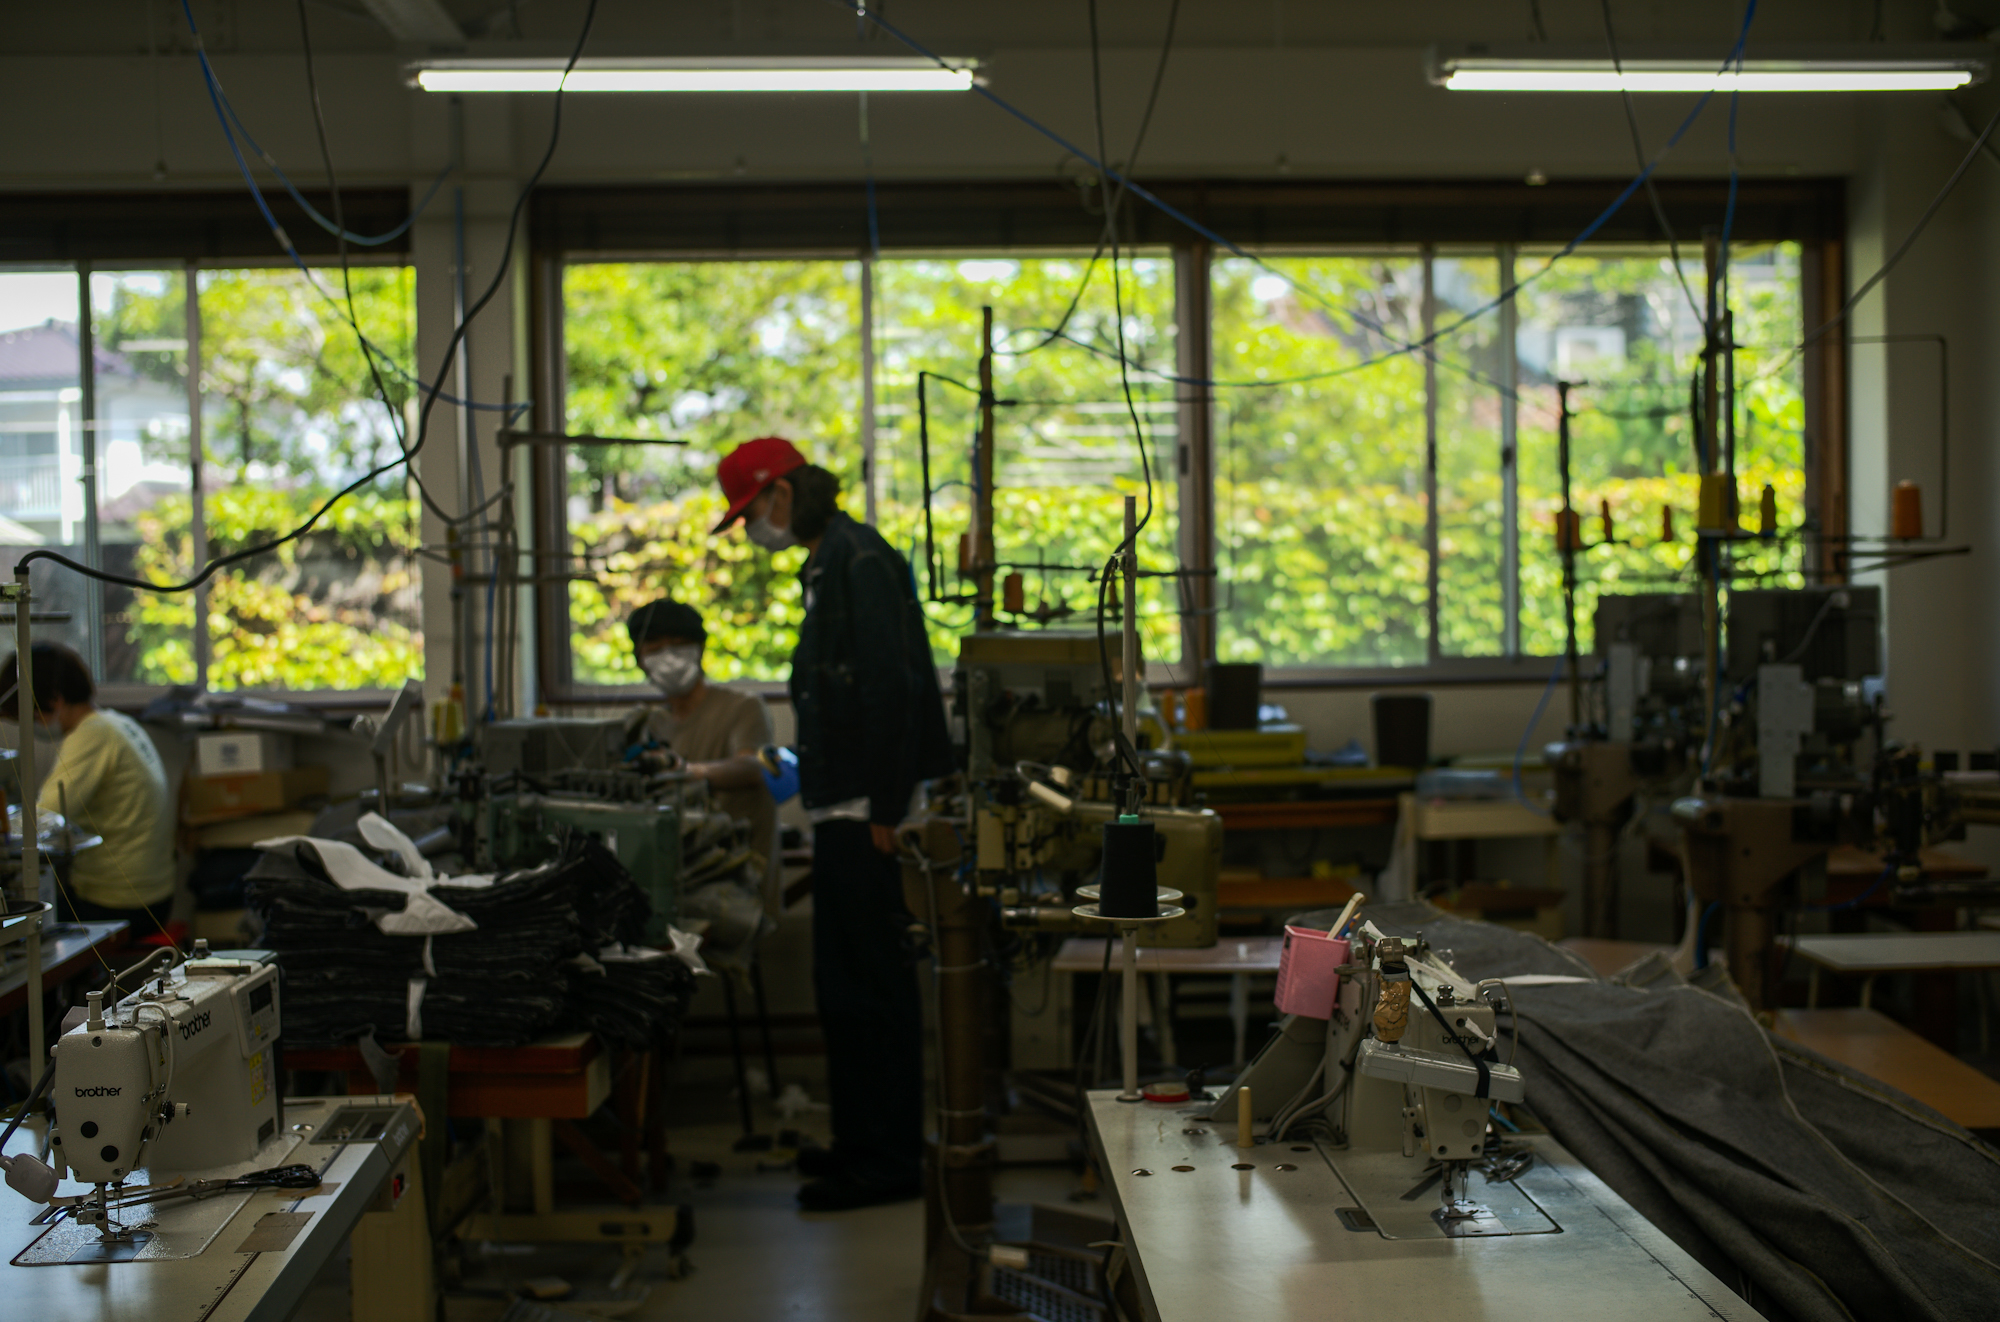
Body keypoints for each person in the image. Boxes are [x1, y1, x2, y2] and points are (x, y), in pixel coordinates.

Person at [712, 435, 953, 1213]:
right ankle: (859, 1143)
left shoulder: (860, 560)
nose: (752, 529)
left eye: (751, 513)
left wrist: (886, 804)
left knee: (872, 989)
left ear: (783, 493)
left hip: (864, 813)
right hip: (841, 805)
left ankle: (887, 1163)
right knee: (842, 988)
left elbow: (894, 687)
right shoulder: (827, 564)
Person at [0, 642, 173, 932]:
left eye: (28, 717)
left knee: (21, 920)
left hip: (121, 903)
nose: (30, 727)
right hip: (154, 895)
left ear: (54, 700)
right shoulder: (117, 723)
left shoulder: (93, 734)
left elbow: (41, 821)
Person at [627, 597, 779, 914]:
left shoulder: (742, 707)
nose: (668, 657)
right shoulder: (650, 724)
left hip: (736, 885)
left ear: (700, 649)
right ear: (639, 658)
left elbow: (752, 767)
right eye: (655, 648)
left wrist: (686, 771)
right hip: (678, 882)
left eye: (678, 645)